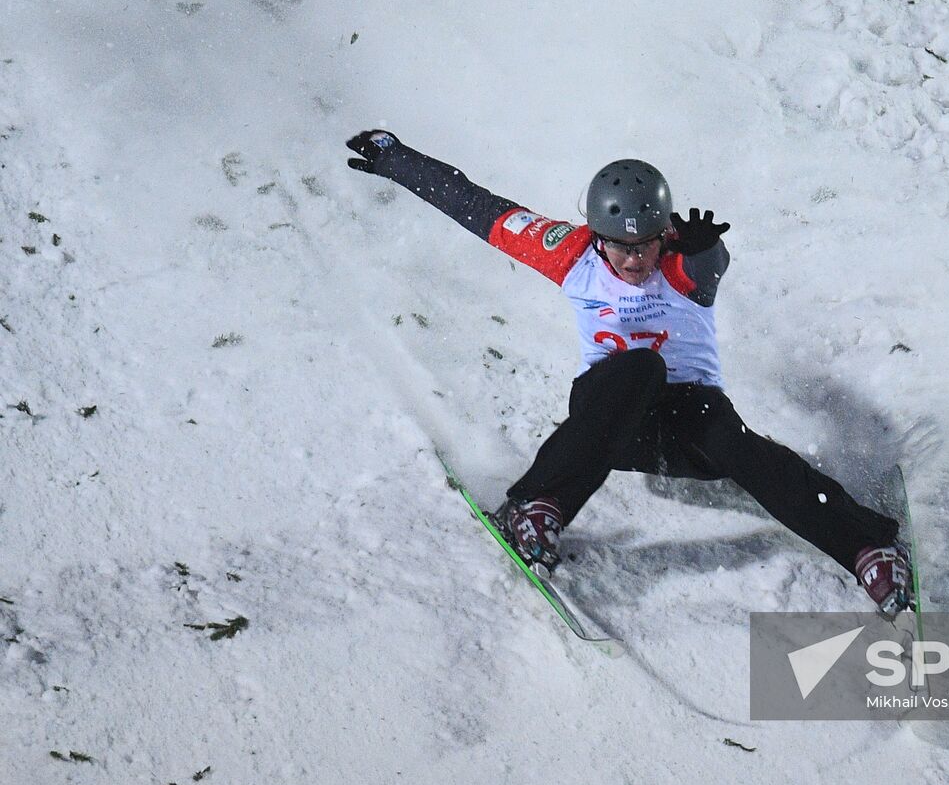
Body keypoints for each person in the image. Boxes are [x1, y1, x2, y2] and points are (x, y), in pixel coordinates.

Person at [345, 130, 913, 615]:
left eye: (646, 247)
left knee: (739, 445)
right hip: (610, 419)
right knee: (639, 368)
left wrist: (703, 252)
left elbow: (708, 268)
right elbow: (482, 208)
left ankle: (866, 548)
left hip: (691, 426)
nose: (636, 261)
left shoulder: (683, 260)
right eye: (622, 249)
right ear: (599, 237)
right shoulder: (568, 252)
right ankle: (537, 507)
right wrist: (396, 160)